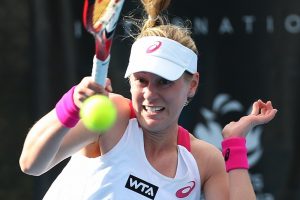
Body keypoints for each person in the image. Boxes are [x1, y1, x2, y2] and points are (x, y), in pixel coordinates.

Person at [19, 0, 278, 199]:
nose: (150, 93)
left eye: (164, 81)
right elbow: (31, 164)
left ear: (193, 84)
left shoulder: (203, 161)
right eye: (141, 80)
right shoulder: (113, 116)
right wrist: (71, 106)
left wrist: (235, 143)